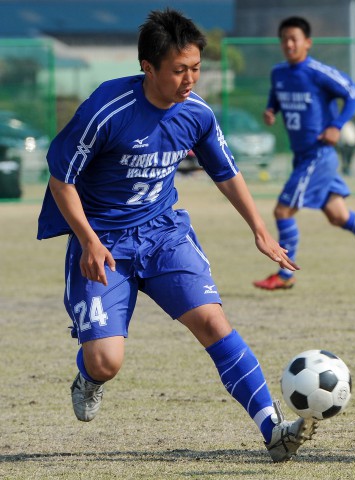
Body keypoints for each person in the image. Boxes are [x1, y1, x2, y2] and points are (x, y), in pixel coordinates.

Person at [36, 8, 317, 463]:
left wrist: (260, 232)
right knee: (106, 362)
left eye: (196, 69)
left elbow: (225, 172)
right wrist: (88, 239)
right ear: (148, 67)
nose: (190, 80)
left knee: (213, 321)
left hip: (164, 233)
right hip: (104, 241)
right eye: (179, 70)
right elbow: (60, 179)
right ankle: (88, 378)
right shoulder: (106, 109)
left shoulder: (197, 114)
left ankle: (273, 429)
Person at [252, 16, 355, 290]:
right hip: (303, 156)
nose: (288, 44)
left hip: (318, 155)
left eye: (294, 39)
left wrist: (336, 125)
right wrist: (271, 109)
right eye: (284, 39)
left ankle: (286, 275)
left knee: (283, 211)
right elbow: (277, 94)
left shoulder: (317, 72)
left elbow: (353, 93)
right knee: (338, 215)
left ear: (307, 43)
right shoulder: (279, 73)